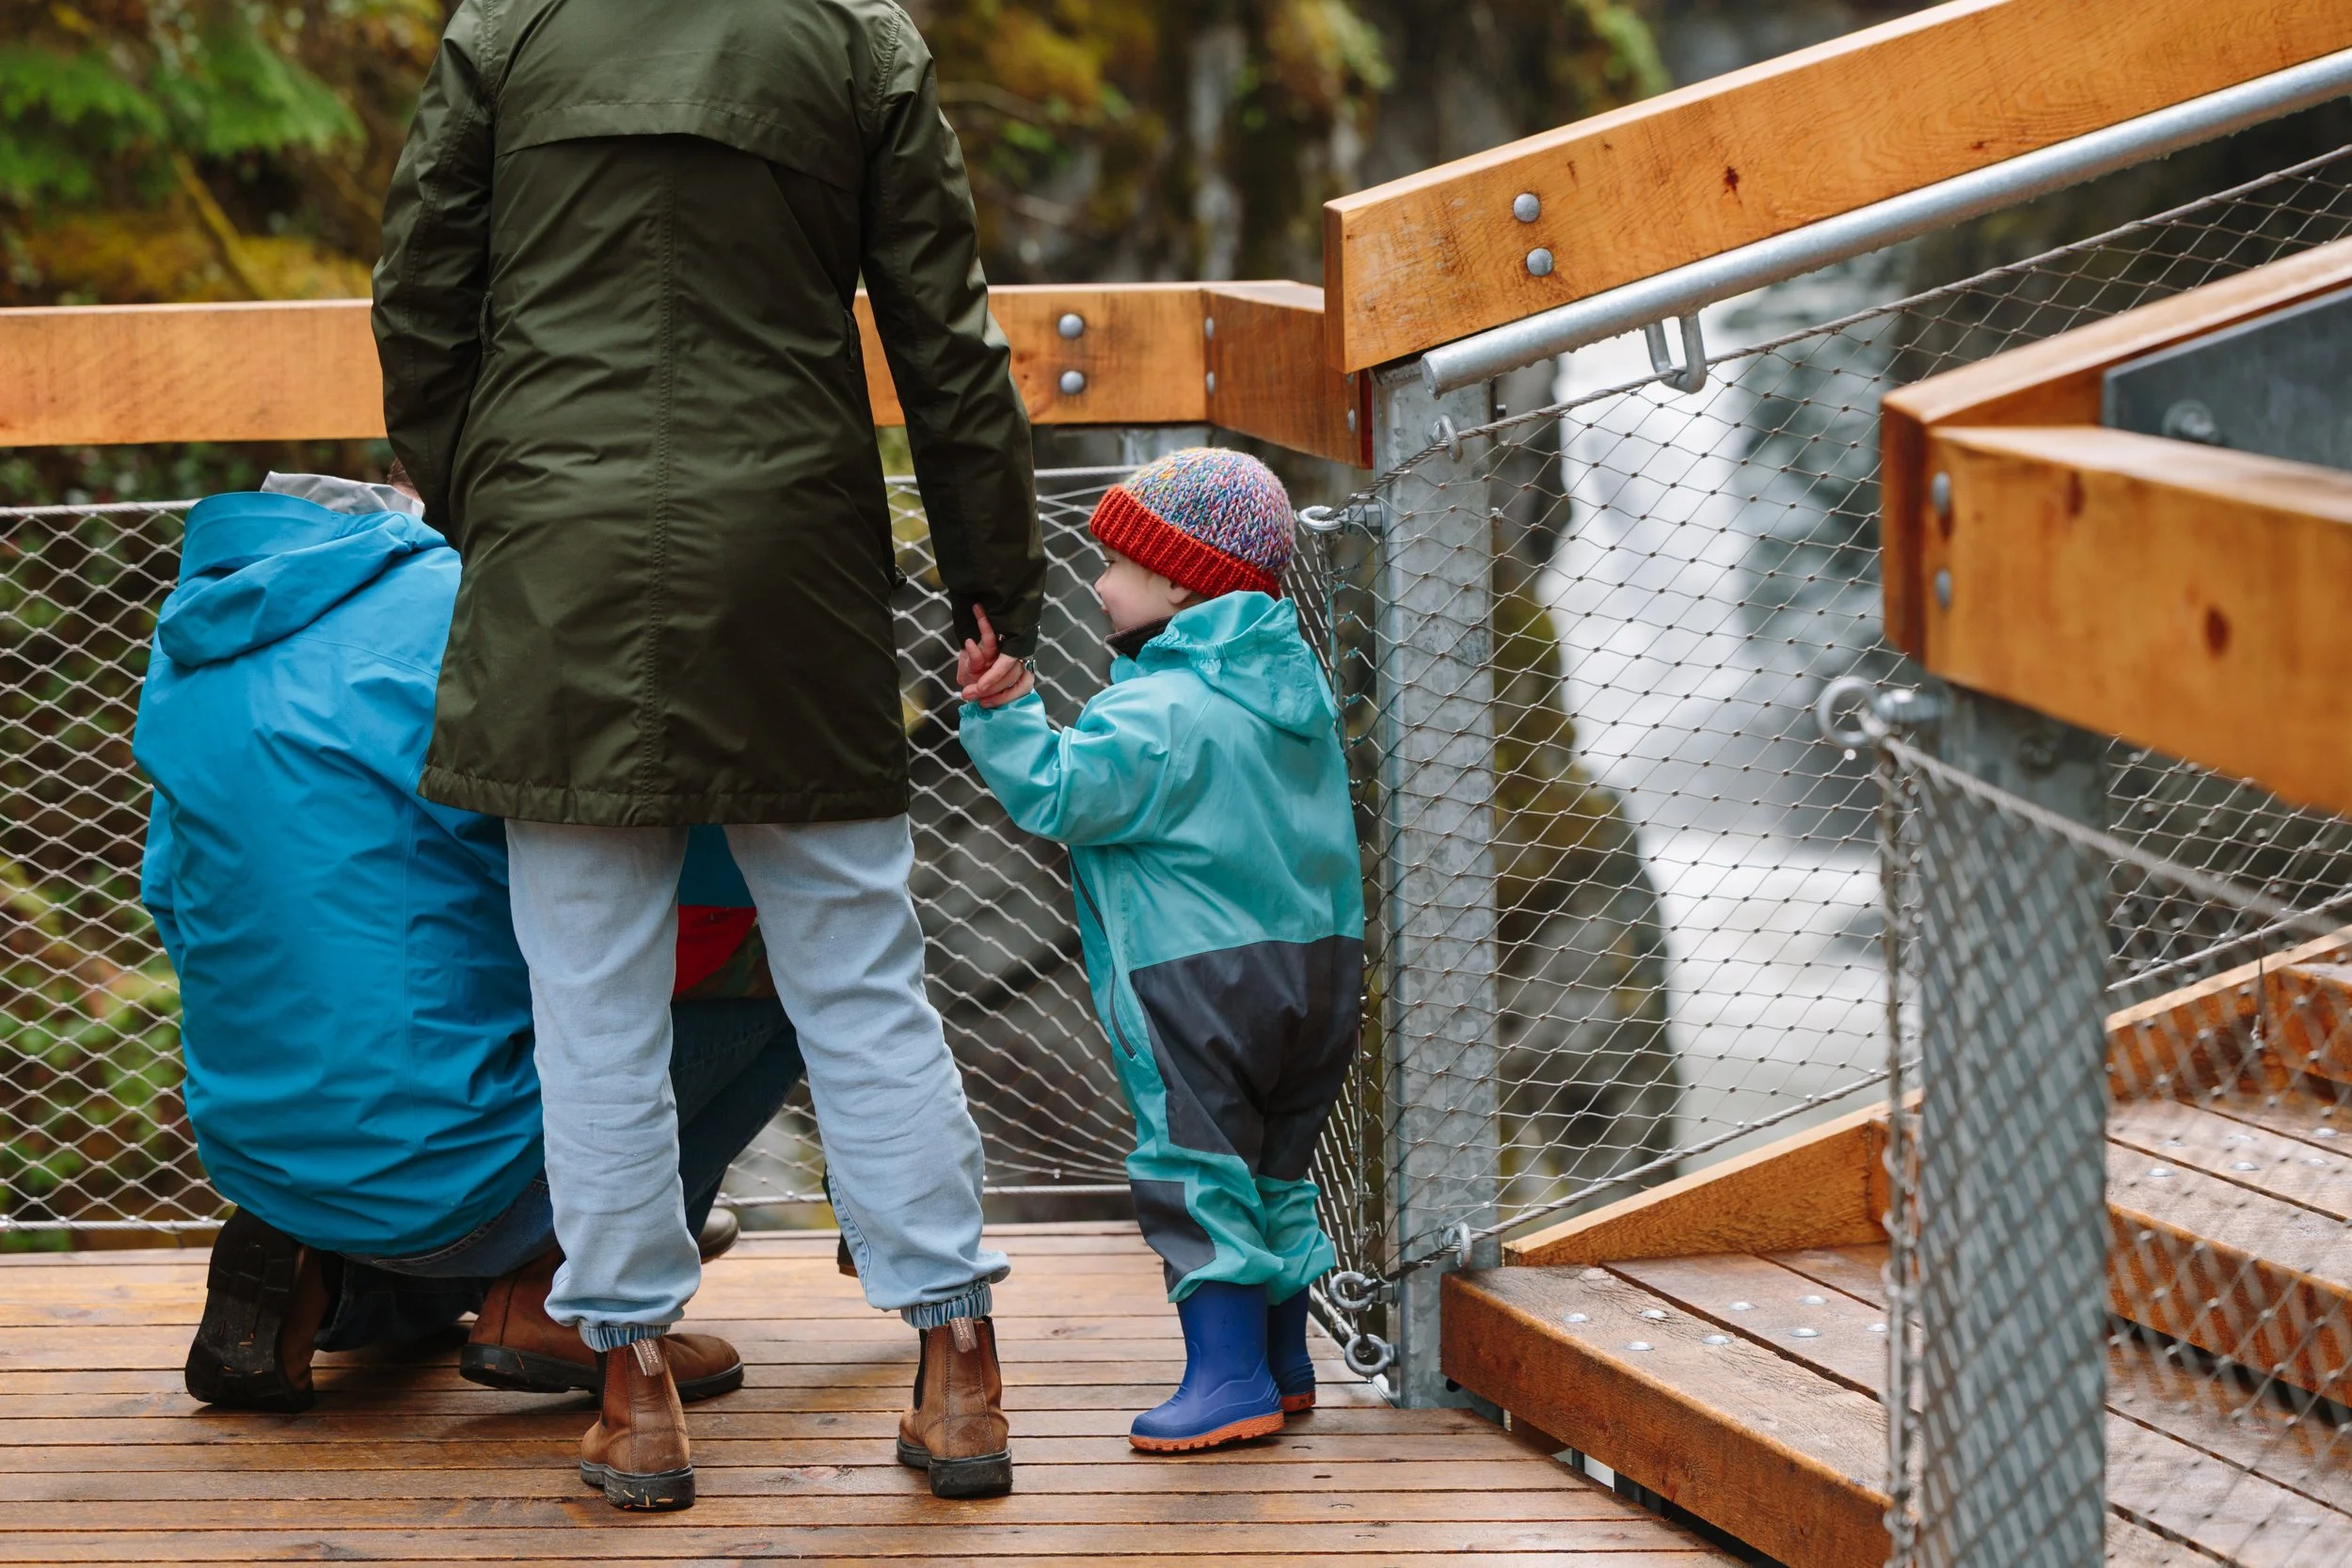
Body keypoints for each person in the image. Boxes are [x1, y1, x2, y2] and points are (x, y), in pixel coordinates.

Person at [372, 0, 1042, 1508]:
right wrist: (991, 569)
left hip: (562, 556)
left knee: (592, 989)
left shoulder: (510, 26)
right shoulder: (857, 37)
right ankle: (961, 1364)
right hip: (790, 555)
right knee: (859, 965)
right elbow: (944, 327)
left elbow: (419, 296)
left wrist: (505, 496)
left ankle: (633, 1383)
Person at [134, 471, 806, 1431]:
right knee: (781, 978)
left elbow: (168, 891)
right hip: (456, 1170)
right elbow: (657, 861)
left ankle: (314, 1270)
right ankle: (562, 1291)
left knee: (410, 1059)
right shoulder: (453, 606)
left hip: (257, 1149)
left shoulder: (190, 644)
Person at [953, 449, 1365, 1452]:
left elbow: (1058, 792)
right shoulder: (1295, 685)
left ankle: (1226, 1377)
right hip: (1317, 972)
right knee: (1273, 1164)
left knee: (1193, 1167)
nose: (1099, 583)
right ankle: (1284, 1359)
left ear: (1180, 580)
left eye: (1118, 564)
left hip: (1197, 981)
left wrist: (1003, 713)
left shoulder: (1156, 709)